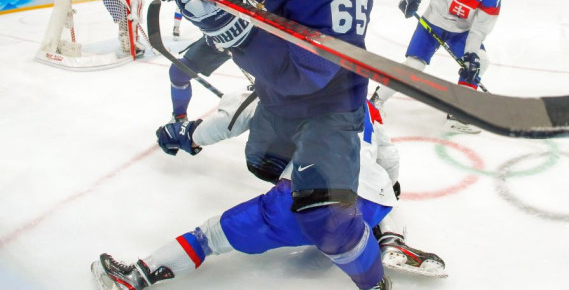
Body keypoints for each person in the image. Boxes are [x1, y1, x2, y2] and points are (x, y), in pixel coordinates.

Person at [151, 0, 389, 290]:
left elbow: (304, 79)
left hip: (330, 106)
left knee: (325, 218)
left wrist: (230, 30)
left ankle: (375, 283)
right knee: (258, 156)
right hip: (273, 93)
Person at [91, 93, 446, 290]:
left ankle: (137, 276)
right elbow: (390, 158)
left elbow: (231, 120)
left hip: (303, 202)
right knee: (382, 198)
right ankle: (386, 242)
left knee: (209, 236)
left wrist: (188, 137)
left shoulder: (289, 82)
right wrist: (391, 191)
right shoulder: (365, 106)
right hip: (369, 205)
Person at [369, 0, 501, 134]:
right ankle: (376, 100)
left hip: (461, 32)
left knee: (480, 60)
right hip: (433, 23)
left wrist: (470, 56)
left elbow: (479, 30)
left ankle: (458, 112)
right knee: (414, 65)